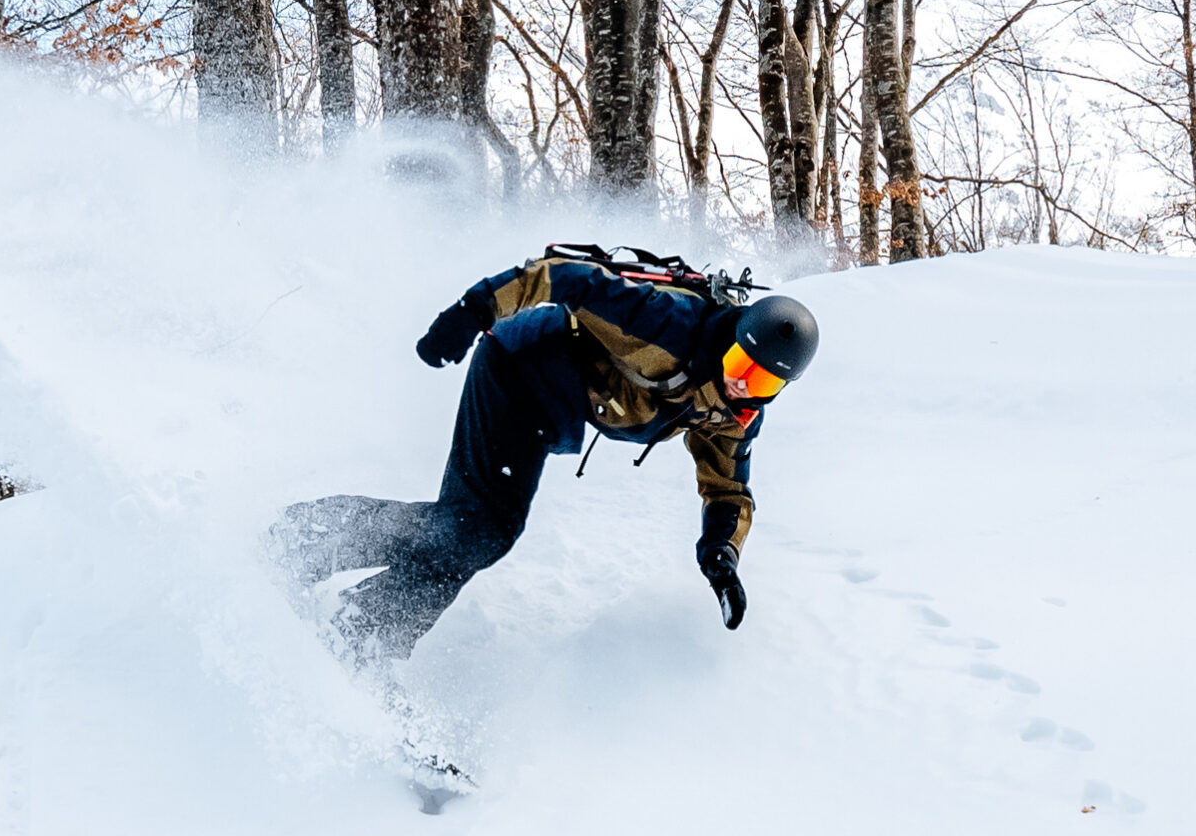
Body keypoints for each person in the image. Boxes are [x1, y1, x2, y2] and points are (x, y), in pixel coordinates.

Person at [271, 252, 819, 663]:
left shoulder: (735, 414)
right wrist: (474, 309)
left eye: (764, 380)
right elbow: (564, 277)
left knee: (477, 534)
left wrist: (722, 556)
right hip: (519, 368)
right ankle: (303, 544)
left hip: (555, 407)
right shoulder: (667, 326)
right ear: (733, 338)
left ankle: (360, 629)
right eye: (742, 364)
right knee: (476, 527)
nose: (741, 384)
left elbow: (727, 490)